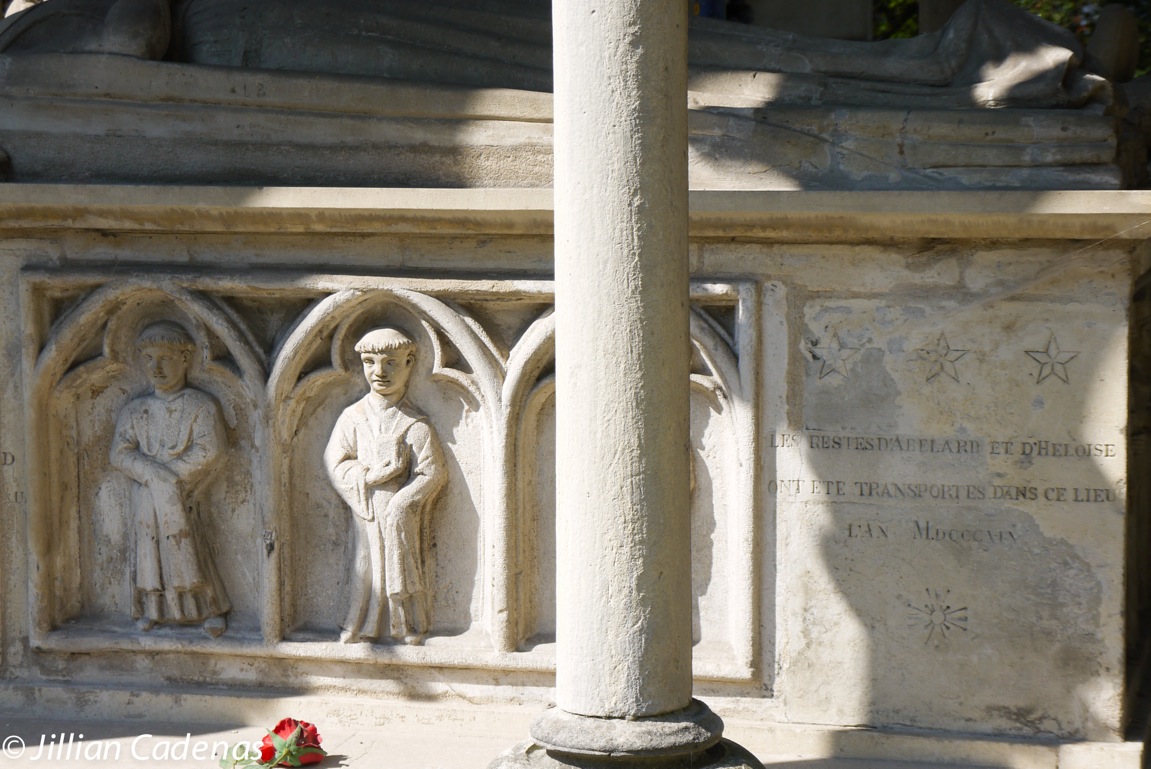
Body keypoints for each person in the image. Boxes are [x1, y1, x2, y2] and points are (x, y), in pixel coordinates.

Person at [325, 328, 447, 645]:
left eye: (391, 362)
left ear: (409, 363)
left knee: (400, 567)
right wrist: (369, 477)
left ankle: (406, 626)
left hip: (399, 512)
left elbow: (432, 472)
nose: (379, 372)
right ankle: (357, 624)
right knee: (365, 567)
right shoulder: (353, 417)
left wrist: (404, 500)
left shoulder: (415, 422)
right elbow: (335, 462)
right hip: (365, 510)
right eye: (369, 362)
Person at [110, 321, 230, 637]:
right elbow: (119, 453)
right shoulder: (136, 409)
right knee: (149, 554)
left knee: (189, 549)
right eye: (148, 358)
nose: (156, 367)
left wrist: (171, 477)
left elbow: (210, 449)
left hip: (184, 492)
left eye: (164, 358)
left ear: (185, 359)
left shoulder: (200, 405)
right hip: (147, 495)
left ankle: (207, 609)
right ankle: (152, 609)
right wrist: (150, 473)